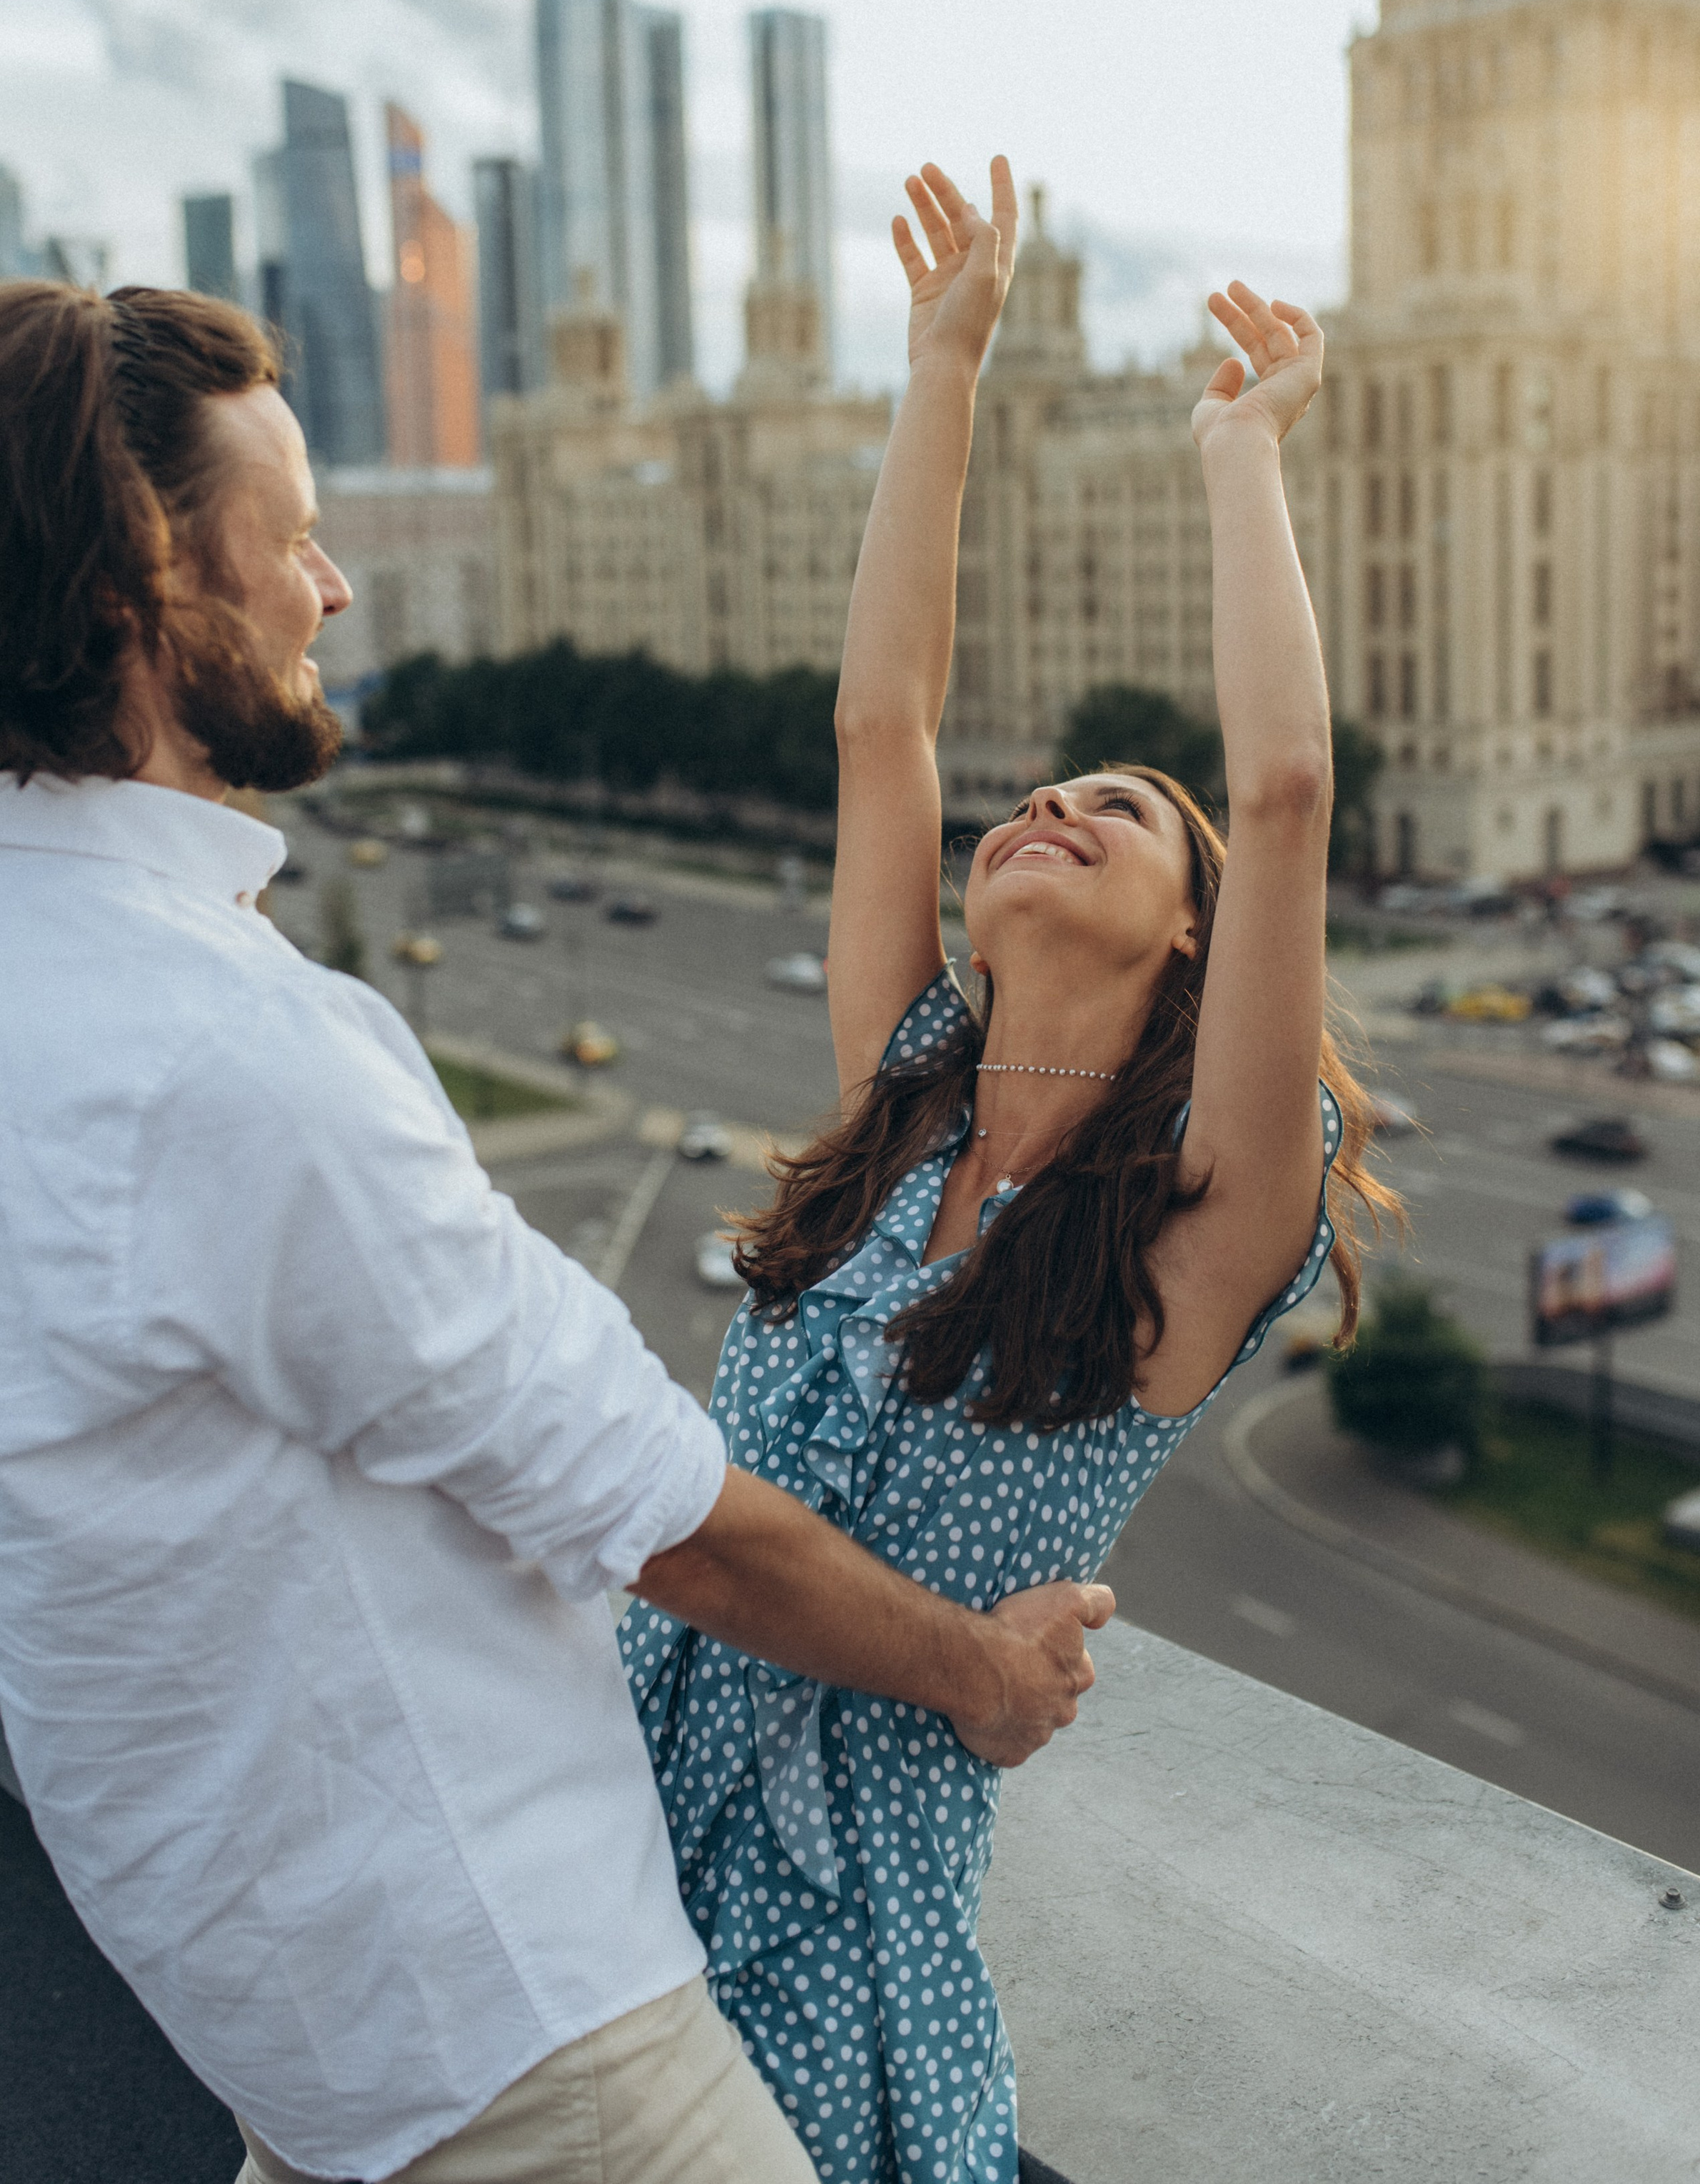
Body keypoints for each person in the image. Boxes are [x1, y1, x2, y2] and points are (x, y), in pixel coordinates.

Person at [0, 280, 1113, 2184]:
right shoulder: (236, 1051)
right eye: (293, 537)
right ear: (141, 590)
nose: (334, 589)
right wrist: (986, 1676)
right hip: (508, 2031)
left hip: (257, 1996)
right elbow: (653, 1506)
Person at [621, 160, 1394, 2184]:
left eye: (1120, 806)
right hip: (597, 1826)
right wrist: (942, 367)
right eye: (1037, 793)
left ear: (1195, 937)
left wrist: (1240, 452)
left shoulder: (1203, 1223)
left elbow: (1289, 787)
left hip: (824, 1954)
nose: (1044, 798)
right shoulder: (906, 1098)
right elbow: (888, 719)